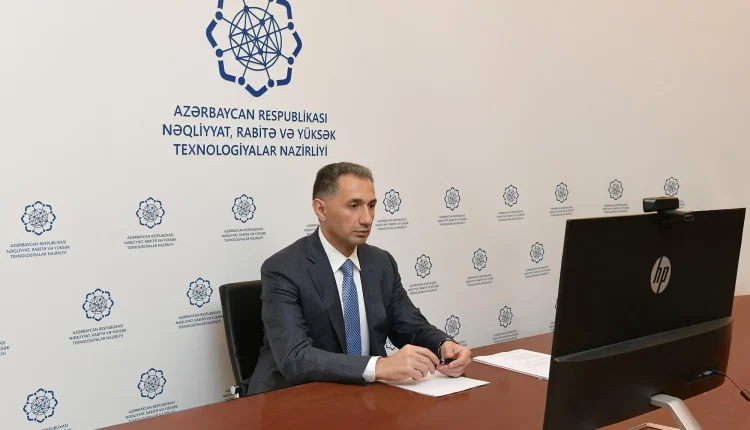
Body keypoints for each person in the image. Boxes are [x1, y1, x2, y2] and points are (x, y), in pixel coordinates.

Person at [246, 162, 472, 395]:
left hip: (364, 396)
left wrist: (443, 345)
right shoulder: (283, 268)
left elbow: (409, 325)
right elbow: (295, 358)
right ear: (321, 210)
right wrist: (379, 366)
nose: (367, 219)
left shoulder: (381, 263)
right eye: (353, 206)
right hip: (294, 397)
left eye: (371, 206)